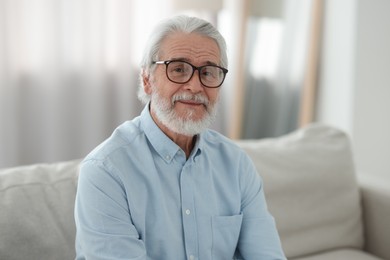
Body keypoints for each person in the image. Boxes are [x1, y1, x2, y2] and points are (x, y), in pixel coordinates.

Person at [74, 15, 286, 260]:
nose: (195, 86)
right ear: (147, 80)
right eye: (178, 69)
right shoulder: (105, 171)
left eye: (208, 72)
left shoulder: (237, 165)